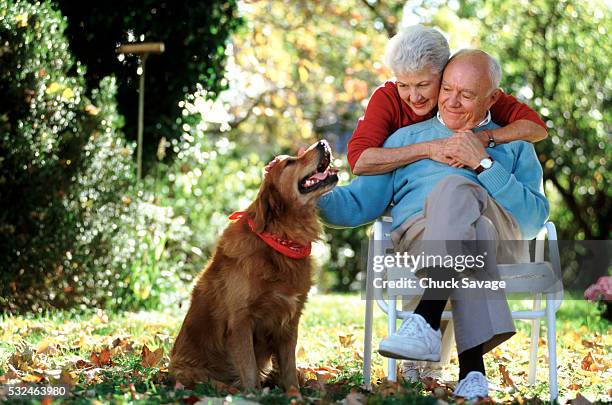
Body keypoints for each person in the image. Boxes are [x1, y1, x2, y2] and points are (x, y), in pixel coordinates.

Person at [317, 49, 549, 399]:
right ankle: (472, 372)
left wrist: (485, 164)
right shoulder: (405, 141)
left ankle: (425, 318)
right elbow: (357, 205)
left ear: (493, 98)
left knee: (462, 195)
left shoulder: (514, 143)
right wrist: (307, 192)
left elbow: (533, 220)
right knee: (476, 233)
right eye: (447, 90)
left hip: (503, 243)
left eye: (467, 95)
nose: (453, 102)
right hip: (421, 238)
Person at [348, 25, 547, 176]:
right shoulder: (387, 97)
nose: (414, 97)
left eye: (423, 85)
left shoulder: (470, 93)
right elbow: (359, 161)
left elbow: (537, 129)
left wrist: (485, 137)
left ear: (445, 74)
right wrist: (428, 149)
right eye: (403, 85)